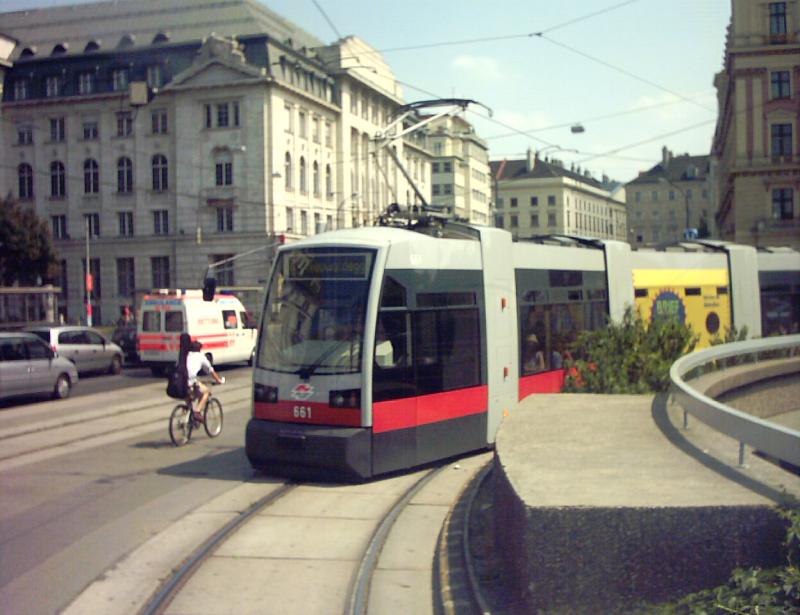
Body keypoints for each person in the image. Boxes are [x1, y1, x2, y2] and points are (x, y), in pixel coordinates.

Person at [182, 336, 225, 421]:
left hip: (180, 382)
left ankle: (187, 417)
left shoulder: (185, 355)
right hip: (190, 381)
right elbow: (210, 370)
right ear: (199, 349)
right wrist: (219, 380)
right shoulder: (200, 356)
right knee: (206, 392)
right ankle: (197, 412)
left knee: (191, 396)